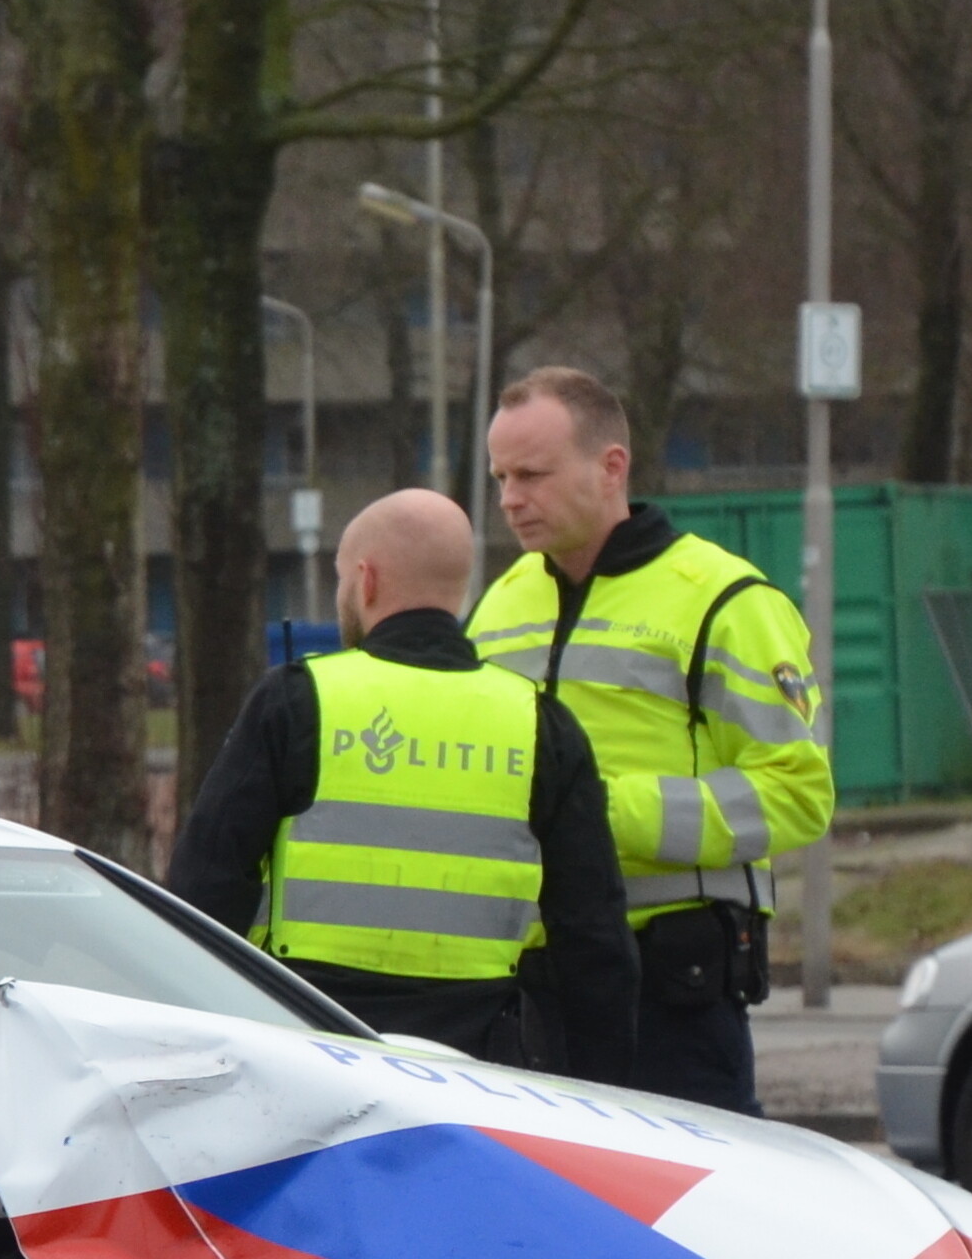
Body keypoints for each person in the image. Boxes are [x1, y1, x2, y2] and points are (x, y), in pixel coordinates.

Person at [464, 365, 831, 1114]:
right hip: (529, 990)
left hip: (672, 997)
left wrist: (597, 815)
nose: (510, 498)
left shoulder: (726, 601)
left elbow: (797, 795)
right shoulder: (500, 604)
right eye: (500, 476)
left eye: (532, 474)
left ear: (611, 468)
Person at [168, 488, 633, 1074]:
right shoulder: (540, 722)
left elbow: (205, 891)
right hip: (482, 1063)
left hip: (311, 1052)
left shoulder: (298, 700)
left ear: (365, 580)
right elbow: (594, 938)